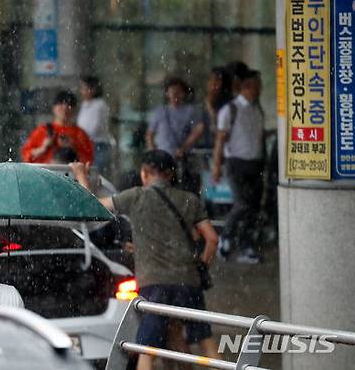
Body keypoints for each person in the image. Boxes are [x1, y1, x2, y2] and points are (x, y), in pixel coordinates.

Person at [71, 150, 220, 370]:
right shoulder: (190, 200)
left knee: (147, 350)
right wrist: (201, 265)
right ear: (170, 174)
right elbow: (212, 239)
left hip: (154, 285)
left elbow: (92, 206)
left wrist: (81, 176)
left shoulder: (136, 196)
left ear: (145, 173)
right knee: (203, 343)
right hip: (188, 282)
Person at [211, 69, 265, 264]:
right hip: (236, 164)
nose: (260, 89)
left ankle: (246, 246)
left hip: (255, 163)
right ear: (246, 86)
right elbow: (220, 139)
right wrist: (216, 166)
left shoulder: (257, 109)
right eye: (256, 85)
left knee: (253, 208)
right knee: (241, 204)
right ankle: (225, 238)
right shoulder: (230, 110)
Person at [146, 77, 205, 193]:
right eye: (172, 92)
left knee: (182, 188)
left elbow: (198, 130)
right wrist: (153, 153)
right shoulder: (161, 110)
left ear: (183, 94)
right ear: (167, 94)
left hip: (182, 157)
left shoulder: (190, 111)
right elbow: (150, 134)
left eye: (178, 92)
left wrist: (184, 148)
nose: (175, 95)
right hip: (163, 157)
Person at [21, 90, 93, 165]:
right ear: (54, 108)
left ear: (74, 110)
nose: (65, 108)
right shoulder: (42, 130)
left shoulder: (80, 134)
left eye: (69, 105)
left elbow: (88, 161)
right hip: (45, 173)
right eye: (61, 104)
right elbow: (26, 156)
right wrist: (43, 148)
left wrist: (73, 148)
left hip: (71, 175)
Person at [78, 76, 113, 174]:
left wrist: (82, 136)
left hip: (98, 144)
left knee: (97, 173)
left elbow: (95, 127)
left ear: (92, 89)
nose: (82, 91)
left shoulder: (99, 105)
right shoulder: (85, 104)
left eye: (84, 88)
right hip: (87, 144)